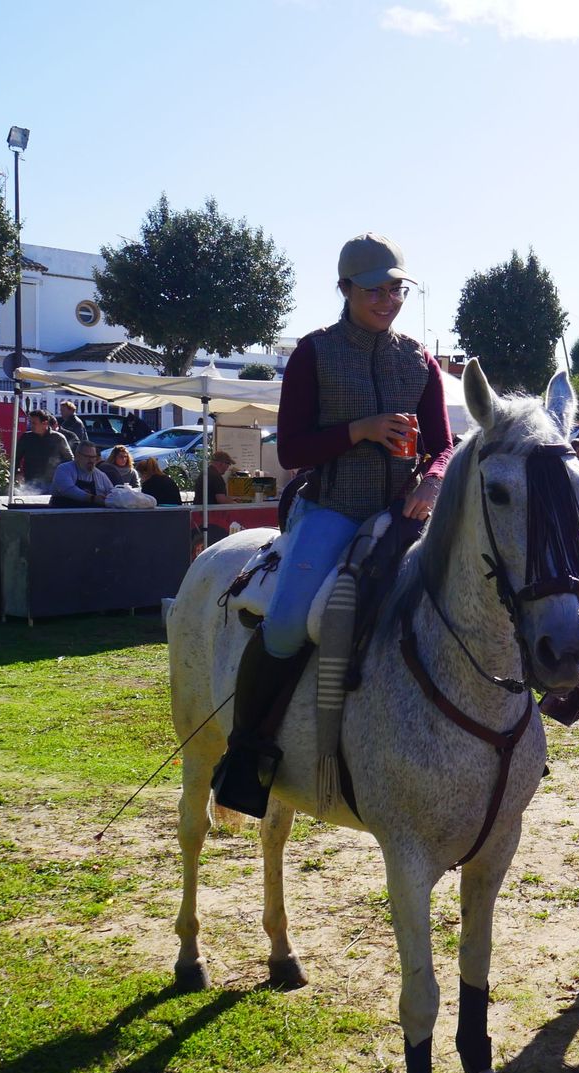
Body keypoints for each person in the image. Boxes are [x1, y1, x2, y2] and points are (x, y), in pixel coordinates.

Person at [210, 231, 453, 819]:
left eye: (396, 289)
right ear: (345, 289)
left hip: (401, 515)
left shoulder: (419, 358)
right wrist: (360, 430)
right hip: (330, 510)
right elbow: (291, 448)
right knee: (289, 623)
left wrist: (433, 479)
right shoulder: (312, 354)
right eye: (375, 290)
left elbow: (444, 446)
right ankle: (248, 753)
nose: (388, 300)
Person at [17, 410, 73, 489]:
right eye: (30, 422)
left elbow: (69, 459)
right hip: (30, 482)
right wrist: (17, 472)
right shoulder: (26, 437)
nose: (31, 425)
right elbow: (16, 457)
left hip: (53, 482)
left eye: (34, 423)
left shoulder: (58, 438)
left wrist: (64, 476)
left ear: (45, 423)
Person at [49, 440, 112, 507]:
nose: (91, 460)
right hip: (61, 514)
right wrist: (92, 498)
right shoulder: (64, 469)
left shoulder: (101, 475)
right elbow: (67, 489)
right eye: (87, 456)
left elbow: (112, 492)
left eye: (93, 457)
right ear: (77, 455)